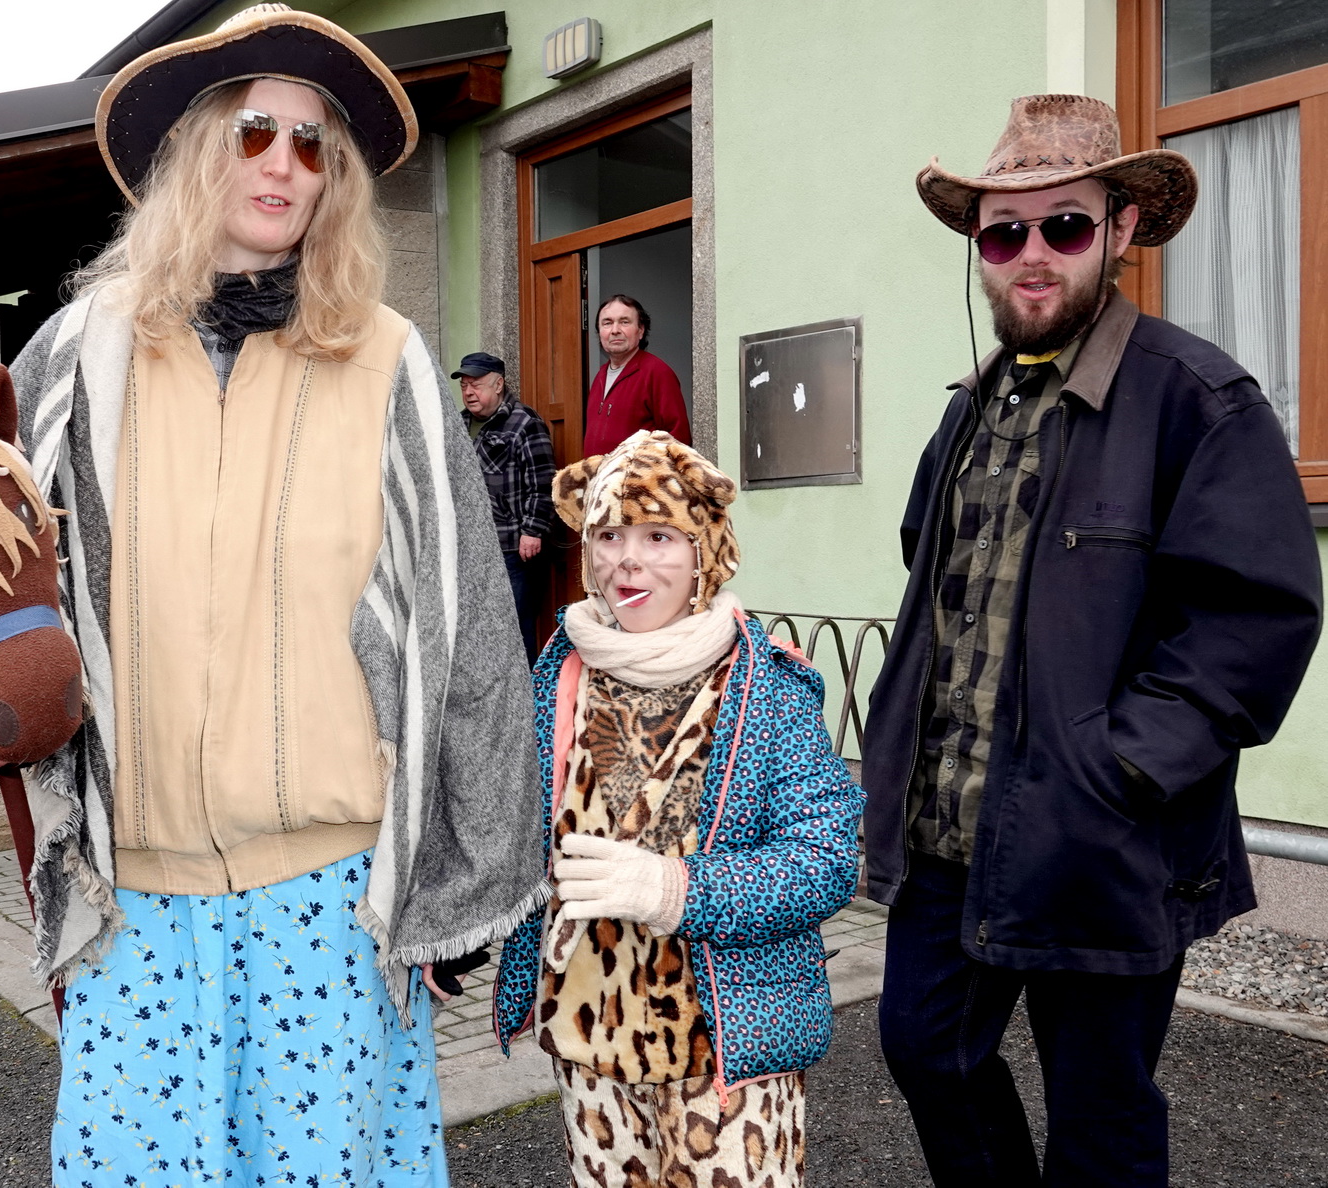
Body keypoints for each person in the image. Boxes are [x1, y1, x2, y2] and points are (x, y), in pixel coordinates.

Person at [0, 8, 546, 1186]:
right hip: (134, 896)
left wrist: (462, 884)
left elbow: (469, 624)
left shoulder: (387, 358)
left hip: (331, 895)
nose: (285, 163)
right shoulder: (76, 355)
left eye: (313, 144)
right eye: (255, 131)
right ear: (194, 150)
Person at [862, 93, 1322, 1187]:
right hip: (950, 831)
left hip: (1106, 836)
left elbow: (1256, 617)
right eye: (1003, 233)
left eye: (1063, 225)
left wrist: (1124, 767)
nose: (1031, 254)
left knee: (1100, 1117)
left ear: (1120, 230)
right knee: (925, 1050)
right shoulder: (969, 408)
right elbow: (935, 577)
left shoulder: (1198, 398)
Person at [491, 430, 865, 1188]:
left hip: (725, 1054)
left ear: (704, 554)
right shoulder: (564, 673)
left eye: (658, 537)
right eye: (609, 536)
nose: (627, 560)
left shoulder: (766, 689)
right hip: (588, 1045)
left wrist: (672, 890)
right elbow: (515, 827)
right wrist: (454, 928)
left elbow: (826, 861)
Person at [453, 350, 556, 664]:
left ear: (498, 385)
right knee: (478, 629)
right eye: (464, 386)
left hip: (512, 548)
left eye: (476, 384)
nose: (469, 392)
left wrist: (533, 531)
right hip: (471, 546)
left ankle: (524, 690)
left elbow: (544, 482)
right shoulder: (458, 423)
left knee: (515, 628)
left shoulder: (525, 423)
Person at [582, 294, 691, 455]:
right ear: (599, 332)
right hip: (600, 471)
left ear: (640, 330)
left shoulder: (657, 372)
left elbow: (679, 440)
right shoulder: (600, 376)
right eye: (607, 323)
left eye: (624, 322)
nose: (615, 330)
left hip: (638, 472)